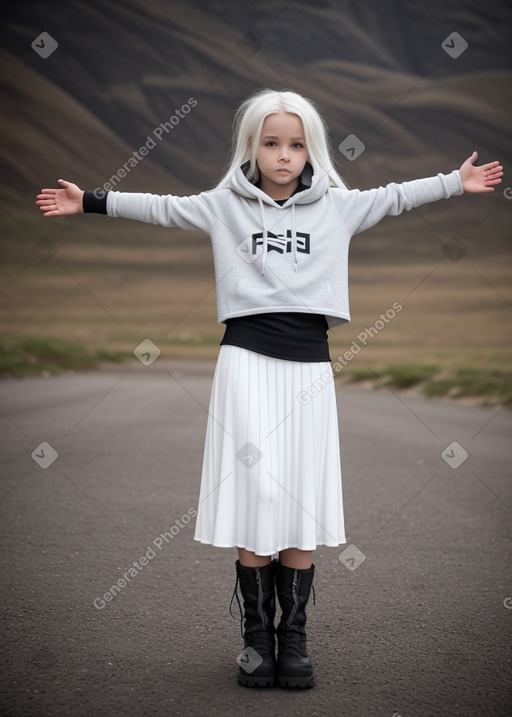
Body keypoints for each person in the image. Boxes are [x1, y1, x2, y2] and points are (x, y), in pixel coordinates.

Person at [36, 88, 503, 690]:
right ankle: (257, 640)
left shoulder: (338, 206)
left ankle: (295, 639)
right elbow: (161, 207)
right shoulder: (223, 205)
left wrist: (451, 181)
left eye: (297, 143)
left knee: (301, 498)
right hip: (244, 365)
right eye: (272, 142)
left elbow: (393, 197)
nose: (284, 155)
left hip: (309, 368)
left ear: (312, 149)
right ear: (251, 146)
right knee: (255, 495)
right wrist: (92, 201)